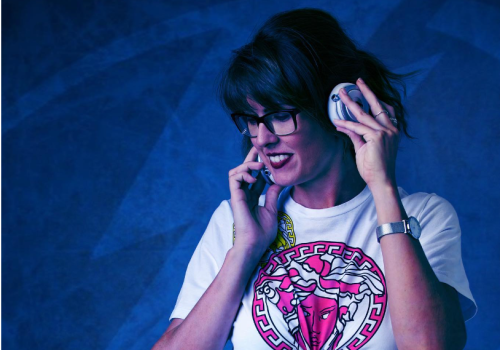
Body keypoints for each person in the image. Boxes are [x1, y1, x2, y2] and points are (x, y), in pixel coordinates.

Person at [152, 8, 476, 350]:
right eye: (251, 119)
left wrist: (383, 191)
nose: (261, 138)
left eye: (279, 115)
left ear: (341, 109)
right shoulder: (236, 222)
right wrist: (245, 248)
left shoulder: (423, 216)